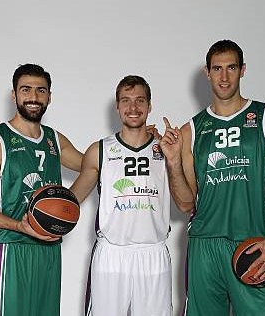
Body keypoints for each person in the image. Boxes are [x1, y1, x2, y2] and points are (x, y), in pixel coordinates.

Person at [160, 40, 265, 315]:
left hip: (254, 242)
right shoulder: (191, 130)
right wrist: (173, 161)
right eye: (217, 69)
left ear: (243, 70)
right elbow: (186, 204)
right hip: (205, 246)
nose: (224, 77)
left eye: (231, 68)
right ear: (207, 73)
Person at [0, 64, 83, 316]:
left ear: (49, 96)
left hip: (49, 251)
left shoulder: (55, 139)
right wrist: (19, 225)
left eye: (41, 90)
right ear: (14, 95)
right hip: (10, 250)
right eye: (26, 89)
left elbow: (95, 164)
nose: (33, 97)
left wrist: (134, 138)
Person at [70, 75, 173, 316]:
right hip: (111, 255)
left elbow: (186, 199)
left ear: (150, 105)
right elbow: (71, 201)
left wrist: (175, 159)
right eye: (125, 100)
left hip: (153, 253)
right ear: (117, 106)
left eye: (140, 100)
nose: (133, 107)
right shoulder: (100, 150)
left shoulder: (166, 149)